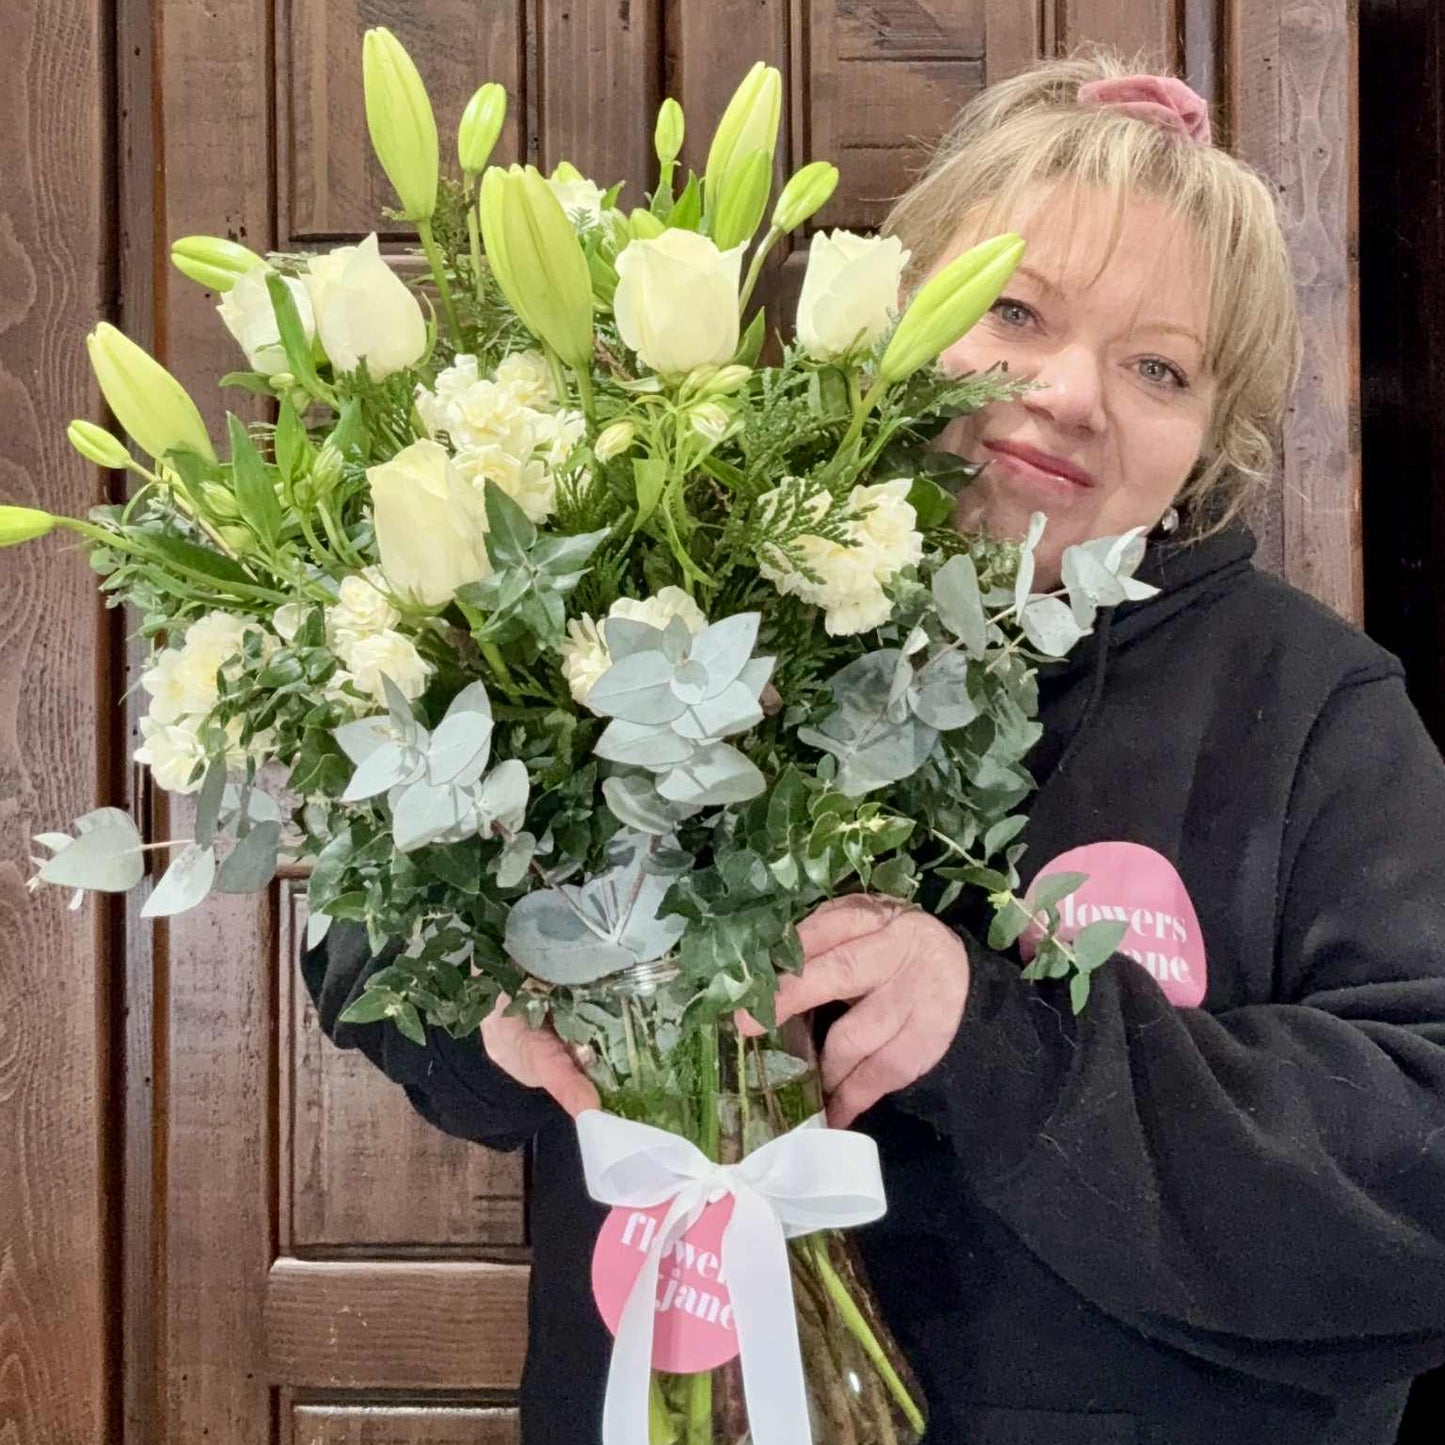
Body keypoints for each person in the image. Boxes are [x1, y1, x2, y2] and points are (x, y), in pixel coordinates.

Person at [302, 51, 1445, 1445]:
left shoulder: (1312, 704)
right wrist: (489, 1006)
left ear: (1214, 428)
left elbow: (1418, 1178)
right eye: (1015, 310)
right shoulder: (681, 580)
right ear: (904, 307)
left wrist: (998, 1037)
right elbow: (375, 924)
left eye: (1158, 364)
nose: (1072, 392)